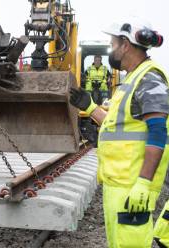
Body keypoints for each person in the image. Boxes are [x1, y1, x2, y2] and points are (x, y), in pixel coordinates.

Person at [70, 18, 169, 248]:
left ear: (125, 45)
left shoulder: (149, 78)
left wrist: (143, 184)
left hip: (132, 187)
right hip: (117, 185)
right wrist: (90, 108)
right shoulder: (131, 80)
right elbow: (119, 128)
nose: (111, 50)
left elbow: (158, 133)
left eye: (113, 44)